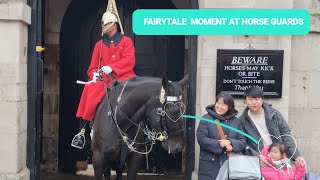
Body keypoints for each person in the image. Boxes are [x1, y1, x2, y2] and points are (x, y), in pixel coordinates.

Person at [71, 0, 136, 149]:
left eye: (105, 24)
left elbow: (129, 61)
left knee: (137, 94)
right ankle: (83, 130)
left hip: (123, 76)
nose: (102, 26)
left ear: (114, 25)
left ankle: (141, 127)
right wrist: (95, 75)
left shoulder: (126, 42)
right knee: (90, 89)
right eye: (102, 24)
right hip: (105, 79)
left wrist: (112, 68)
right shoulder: (98, 45)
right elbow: (93, 67)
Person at [239, 86, 306, 167]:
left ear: (262, 99)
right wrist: (256, 156)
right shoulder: (242, 121)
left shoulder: (274, 114)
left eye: (257, 99)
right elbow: (243, 144)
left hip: (279, 157)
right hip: (261, 160)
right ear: (245, 100)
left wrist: (296, 155)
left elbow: (286, 135)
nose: (254, 102)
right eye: (250, 99)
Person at [197, 92, 246, 180]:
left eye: (223, 105)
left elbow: (242, 141)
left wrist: (231, 143)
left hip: (231, 165)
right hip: (210, 166)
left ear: (229, 106)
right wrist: (220, 144)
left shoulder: (236, 121)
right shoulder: (205, 119)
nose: (219, 107)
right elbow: (201, 139)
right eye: (218, 103)